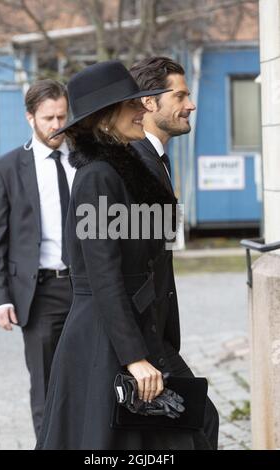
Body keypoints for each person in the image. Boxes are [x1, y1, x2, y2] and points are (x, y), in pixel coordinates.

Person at [35, 60, 216, 450]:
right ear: (104, 119)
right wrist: (133, 356)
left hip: (128, 329)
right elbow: (103, 275)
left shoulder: (120, 170)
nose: (142, 109)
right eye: (131, 104)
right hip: (105, 338)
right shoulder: (98, 176)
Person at [130, 56, 219, 449]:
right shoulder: (132, 163)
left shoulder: (158, 160)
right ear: (149, 103)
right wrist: (137, 351)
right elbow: (118, 264)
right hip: (141, 334)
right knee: (200, 422)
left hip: (154, 331)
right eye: (180, 95)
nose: (191, 104)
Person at [0, 79, 75, 438]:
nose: (57, 125)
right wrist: (0, 297)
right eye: (48, 118)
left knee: (94, 375)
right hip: (40, 293)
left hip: (88, 286)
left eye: (62, 116)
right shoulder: (6, 168)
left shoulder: (87, 160)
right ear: (30, 118)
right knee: (46, 386)